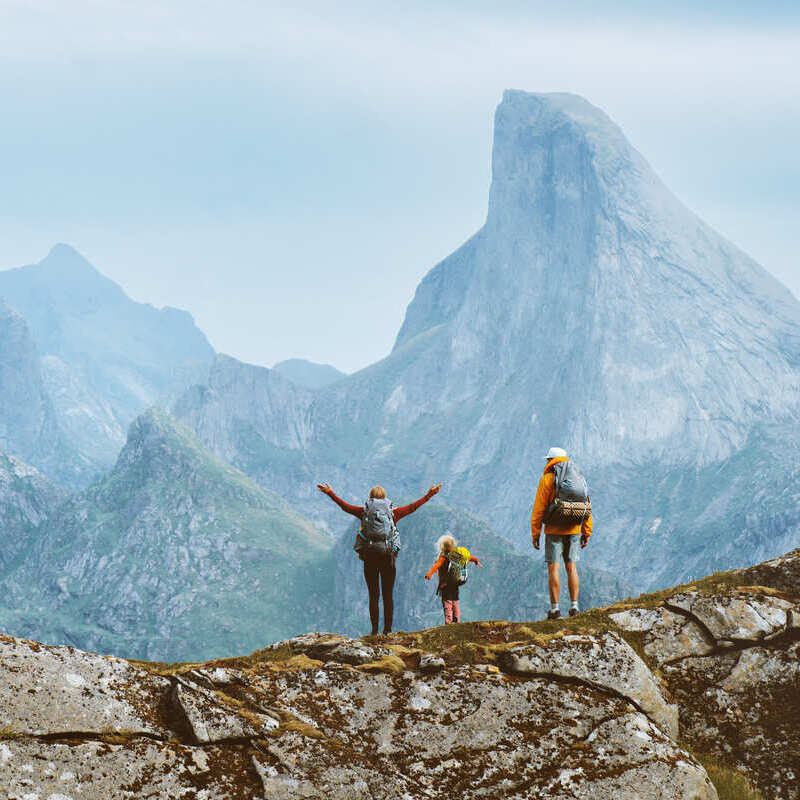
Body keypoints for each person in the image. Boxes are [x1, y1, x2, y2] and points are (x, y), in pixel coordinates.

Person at [317, 482, 442, 635]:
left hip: (370, 557)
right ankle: (387, 630)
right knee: (388, 595)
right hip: (388, 558)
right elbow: (412, 507)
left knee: (373, 596)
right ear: (384, 497)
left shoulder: (364, 512)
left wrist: (330, 492)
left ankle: (374, 631)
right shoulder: (393, 513)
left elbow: (345, 506)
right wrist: (431, 494)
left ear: (370, 498)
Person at [530, 447, 593, 619]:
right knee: (572, 567)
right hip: (574, 529)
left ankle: (555, 609)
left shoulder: (547, 479)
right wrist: (586, 532)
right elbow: (586, 505)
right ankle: (574, 607)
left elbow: (538, 509)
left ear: (550, 460)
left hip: (553, 530)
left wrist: (535, 534)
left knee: (554, 568)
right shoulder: (578, 478)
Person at [425, 535, 484, 624]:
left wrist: (429, 574)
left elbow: (436, 565)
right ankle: (456, 620)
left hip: (446, 584)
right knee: (455, 602)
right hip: (456, 582)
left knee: (447, 603)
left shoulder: (444, 557)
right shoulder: (457, 555)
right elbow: (470, 558)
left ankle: (448, 622)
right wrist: (476, 561)